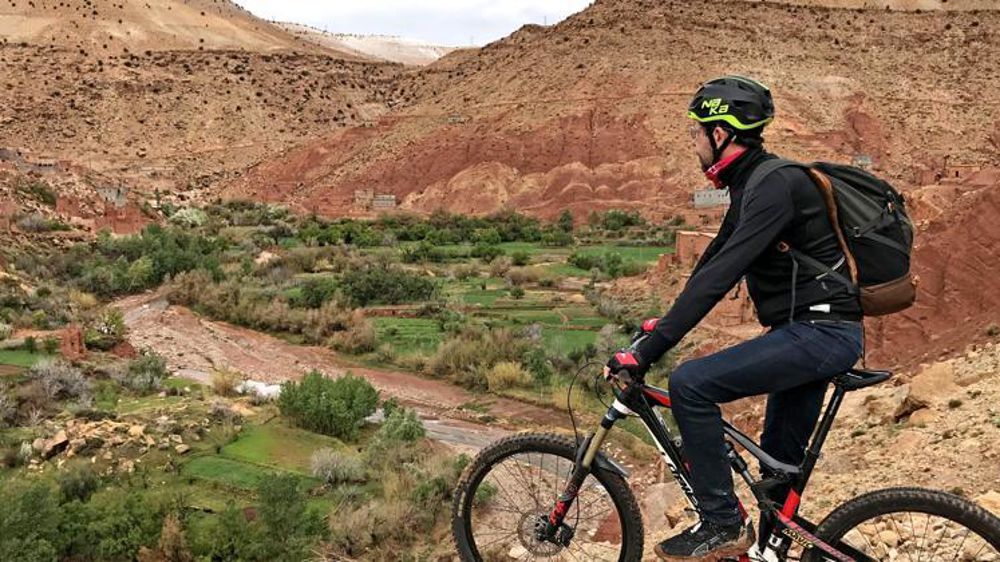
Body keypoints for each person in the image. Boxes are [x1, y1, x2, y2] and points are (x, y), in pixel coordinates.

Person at [605, 76, 863, 561]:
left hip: (820, 333)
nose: (694, 143)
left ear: (721, 134)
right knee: (776, 480)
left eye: (697, 132)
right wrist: (655, 332)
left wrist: (649, 354)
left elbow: (720, 275)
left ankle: (721, 523)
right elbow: (711, 264)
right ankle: (774, 548)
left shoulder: (773, 186)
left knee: (691, 384)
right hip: (811, 334)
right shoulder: (756, 184)